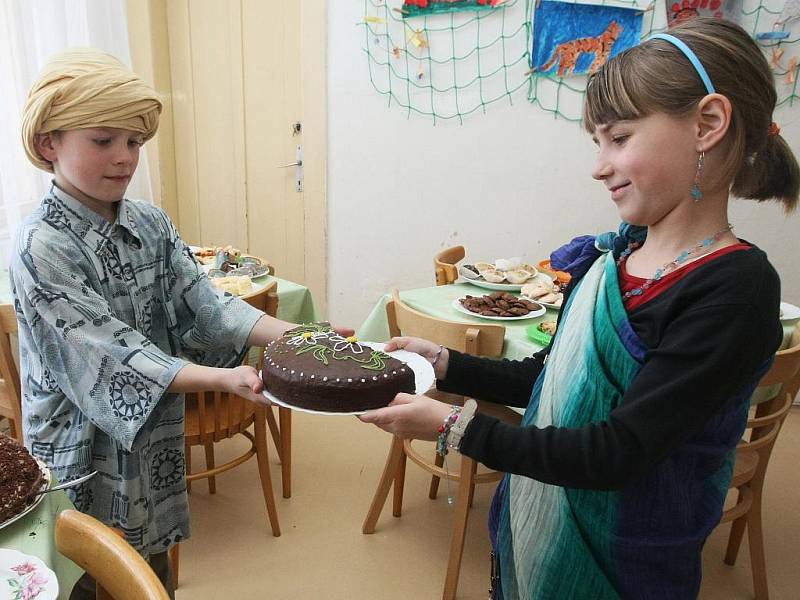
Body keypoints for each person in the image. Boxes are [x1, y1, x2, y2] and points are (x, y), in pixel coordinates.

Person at [360, 18, 799, 599]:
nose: (598, 165)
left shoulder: (735, 287)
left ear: (708, 124)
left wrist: (451, 426)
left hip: (625, 568)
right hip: (532, 537)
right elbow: (542, 379)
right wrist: (443, 364)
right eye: (597, 143)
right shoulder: (617, 260)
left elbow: (616, 454)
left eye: (619, 138)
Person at [10, 48, 336, 599]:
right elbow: (111, 354)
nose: (125, 158)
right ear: (49, 144)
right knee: (90, 581)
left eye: (134, 142)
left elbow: (207, 304)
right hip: (80, 450)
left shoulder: (149, 222)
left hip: (151, 445)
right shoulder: (41, 247)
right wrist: (223, 379)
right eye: (103, 140)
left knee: (149, 572)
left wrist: (303, 337)